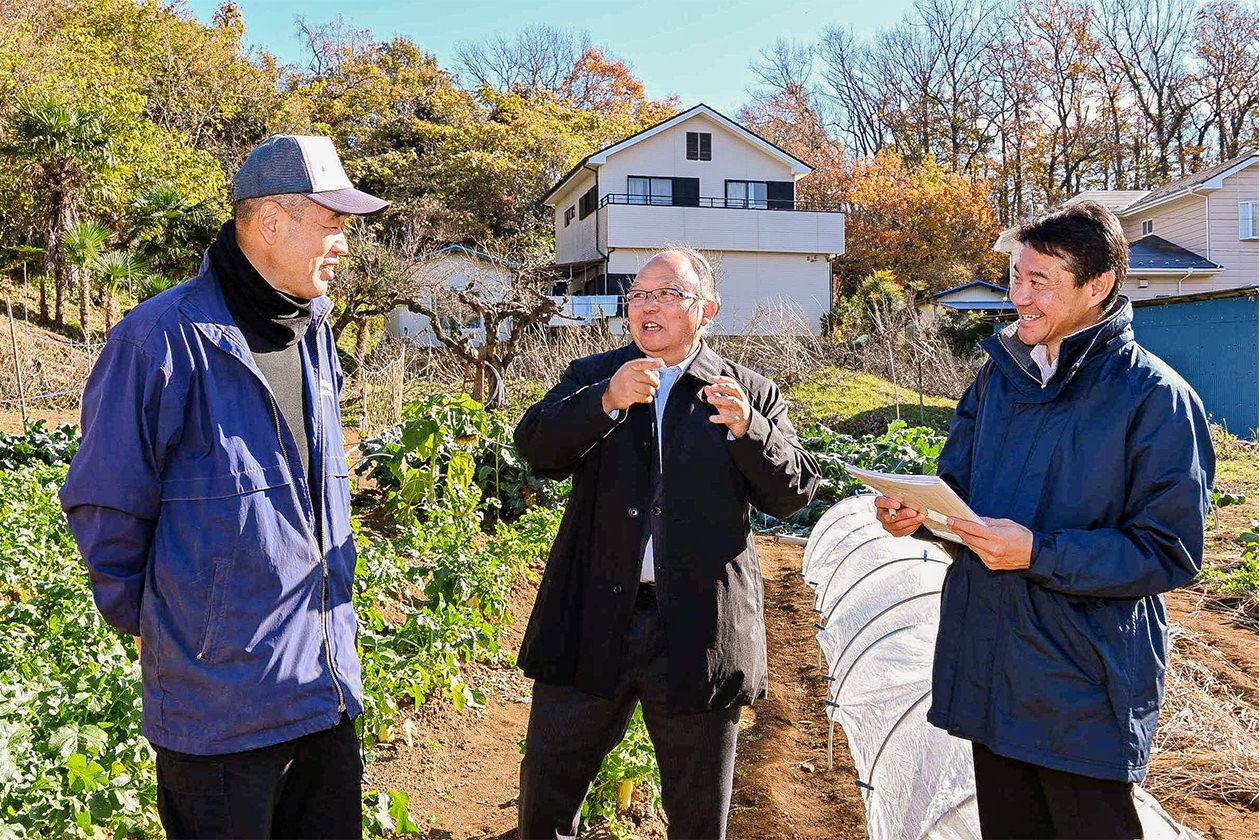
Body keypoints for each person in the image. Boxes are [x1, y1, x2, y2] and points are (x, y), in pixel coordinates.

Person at [60, 135, 389, 839]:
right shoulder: (161, 340)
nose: (343, 243)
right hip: (219, 715)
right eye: (331, 223)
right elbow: (105, 504)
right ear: (271, 220)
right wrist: (165, 627)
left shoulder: (315, 334)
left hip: (325, 696)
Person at [875, 200, 1215, 838]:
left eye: (1040, 282)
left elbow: (1168, 550)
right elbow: (960, 493)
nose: (1018, 296)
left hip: (1080, 683)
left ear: (1098, 286)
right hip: (990, 659)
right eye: (1015, 277)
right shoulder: (999, 380)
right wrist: (919, 514)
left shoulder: (1154, 398)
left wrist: (1038, 552)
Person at [513, 247, 820, 839]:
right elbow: (536, 449)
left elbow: (792, 492)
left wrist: (747, 430)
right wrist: (604, 401)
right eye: (638, 295)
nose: (647, 305)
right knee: (548, 796)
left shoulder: (746, 391)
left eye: (666, 294)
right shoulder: (592, 378)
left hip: (699, 628)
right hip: (593, 616)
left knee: (699, 812)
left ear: (706, 310)